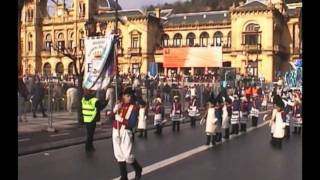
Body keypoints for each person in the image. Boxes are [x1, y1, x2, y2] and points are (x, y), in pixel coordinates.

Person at [112, 87, 142, 180]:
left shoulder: (134, 108)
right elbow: (110, 118)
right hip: (116, 131)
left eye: (130, 96)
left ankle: (138, 168)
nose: (129, 98)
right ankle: (124, 177)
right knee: (119, 155)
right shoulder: (118, 105)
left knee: (127, 156)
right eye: (127, 96)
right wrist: (114, 111)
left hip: (126, 131)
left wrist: (120, 119)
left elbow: (131, 123)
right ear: (123, 96)